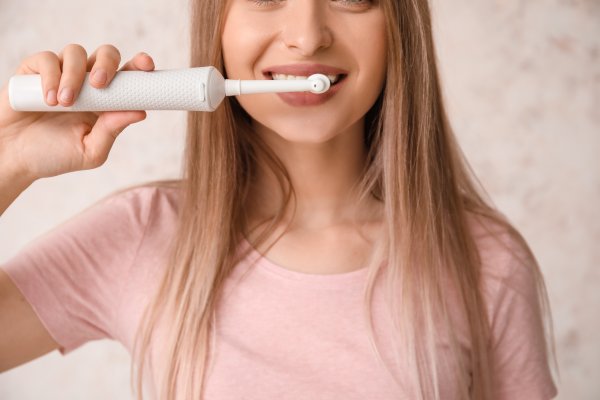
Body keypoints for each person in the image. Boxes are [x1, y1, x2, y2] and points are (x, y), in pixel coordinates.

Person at [0, 0, 558, 399]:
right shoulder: (141, 234)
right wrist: (10, 161)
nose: (308, 34)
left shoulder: (486, 261)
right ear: (218, 22)